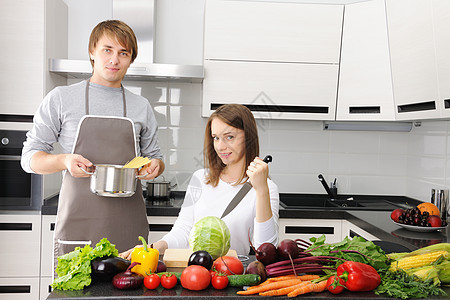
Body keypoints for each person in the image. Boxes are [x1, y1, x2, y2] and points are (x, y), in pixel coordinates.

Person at [21, 20, 165, 261]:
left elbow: (156, 158)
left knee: (130, 296)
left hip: (128, 227)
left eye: (123, 53)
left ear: (131, 59)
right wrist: (64, 160)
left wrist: (155, 166)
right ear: (92, 52)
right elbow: (29, 158)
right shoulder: (61, 98)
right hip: (79, 226)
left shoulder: (141, 106)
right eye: (107, 50)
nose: (114, 60)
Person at [121, 104, 279, 258]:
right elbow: (183, 230)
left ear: (248, 137)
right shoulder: (200, 178)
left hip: (231, 274)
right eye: (216, 138)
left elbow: (265, 248)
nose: (221, 146)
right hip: (195, 271)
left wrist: (261, 190)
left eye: (229, 137)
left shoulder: (266, 188)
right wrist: (152, 248)